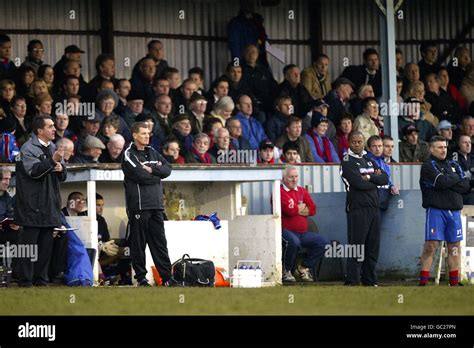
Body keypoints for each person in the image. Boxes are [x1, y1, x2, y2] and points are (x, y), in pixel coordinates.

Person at [14, 116, 67, 287]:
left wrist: (61, 168)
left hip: (50, 205)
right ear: (40, 131)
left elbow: (63, 176)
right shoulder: (27, 149)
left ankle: (41, 281)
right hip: (32, 206)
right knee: (29, 248)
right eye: (50, 126)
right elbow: (34, 172)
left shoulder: (53, 148)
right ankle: (25, 282)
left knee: (45, 249)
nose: (54, 128)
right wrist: (53, 161)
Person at [122, 121, 176, 286]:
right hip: (139, 206)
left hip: (156, 206)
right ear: (135, 135)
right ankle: (141, 278)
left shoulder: (153, 152)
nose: (147, 136)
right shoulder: (128, 154)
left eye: (148, 133)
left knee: (160, 244)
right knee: (138, 244)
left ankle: (167, 278)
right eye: (143, 133)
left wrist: (152, 170)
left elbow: (168, 169)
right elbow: (140, 176)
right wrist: (156, 174)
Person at [418, 135, 469, 286]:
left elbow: (465, 186)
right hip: (436, 211)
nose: (443, 150)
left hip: (454, 212)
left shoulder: (454, 164)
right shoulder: (428, 165)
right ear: (431, 149)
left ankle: (454, 283)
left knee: (455, 246)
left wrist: (449, 180)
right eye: (440, 147)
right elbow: (440, 183)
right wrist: (453, 179)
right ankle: (424, 283)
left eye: (445, 147)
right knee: (431, 245)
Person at [340, 131, 389, 286]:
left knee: (372, 246)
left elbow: (384, 178)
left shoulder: (368, 159)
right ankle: (352, 280)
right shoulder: (347, 161)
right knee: (356, 245)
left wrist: (369, 178)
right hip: (357, 208)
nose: (357, 144)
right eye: (354, 142)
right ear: (349, 142)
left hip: (374, 207)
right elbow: (357, 183)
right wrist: (373, 180)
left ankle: (369, 280)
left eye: (360, 142)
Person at [280, 166, 329, 282]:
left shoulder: (302, 191)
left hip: (303, 233)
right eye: (291, 177)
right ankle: (286, 271)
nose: (294, 179)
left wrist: (297, 208)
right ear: (283, 178)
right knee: (294, 242)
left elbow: (313, 209)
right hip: (285, 231)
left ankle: (302, 267)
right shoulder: (279, 191)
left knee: (324, 242)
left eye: (296, 176)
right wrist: (299, 208)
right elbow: (289, 211)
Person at [366, 135, 400, 210]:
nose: (377, 149)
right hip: (369, 205)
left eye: (380, 146)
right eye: (374, 146)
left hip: (381, 204)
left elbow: (387, 182)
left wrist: (392, 187)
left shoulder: (385, 164)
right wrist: (377, 178)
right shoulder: (365, 162)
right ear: (368, 148)